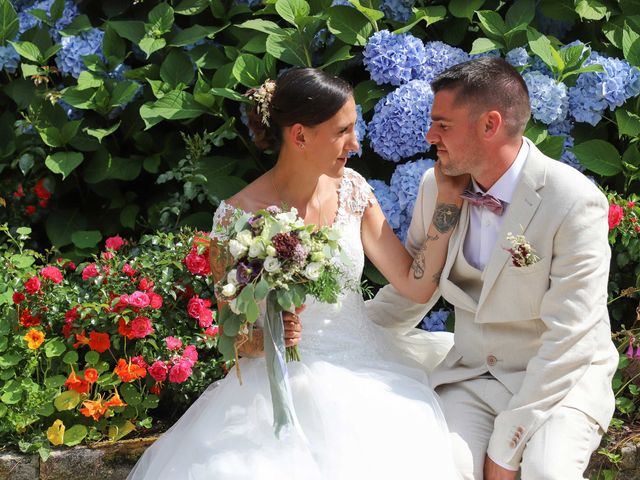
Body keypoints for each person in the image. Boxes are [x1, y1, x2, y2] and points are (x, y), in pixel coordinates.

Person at [127, 67, 466, 480]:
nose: (355, 144)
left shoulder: (353, 190)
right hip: (279, 380)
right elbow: (234, 337)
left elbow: (415, 285)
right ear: (300, 135)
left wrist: (447, 203)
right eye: (342, 131)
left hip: (370, 366)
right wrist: (270, 331)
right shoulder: (236, 217)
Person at [367, 57, 619, 480]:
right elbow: (415, 287)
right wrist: (340, 336)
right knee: (436, 468)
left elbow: (569, 339)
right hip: (472, 377)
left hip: (560, 382)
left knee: (546, 472)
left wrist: (507, 446)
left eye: (443, 125)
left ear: (490, 125)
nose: (430, 137)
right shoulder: (437, 187)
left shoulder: (573, 201)